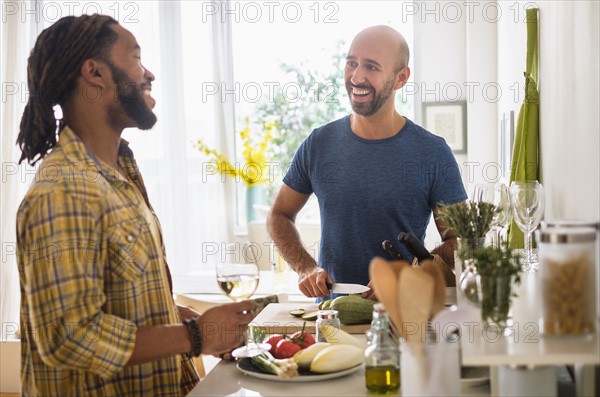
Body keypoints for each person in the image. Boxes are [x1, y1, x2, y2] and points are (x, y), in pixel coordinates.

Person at [15, 14, 253, 396]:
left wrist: (177, 318)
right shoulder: (64, 190)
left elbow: (117, 298)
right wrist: (193, 336)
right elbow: (68, 337)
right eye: (137, 58)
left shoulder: (117, 172)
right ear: (94, 73)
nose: (149, 73)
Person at [267, 25, 467, 299]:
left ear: (401, 78)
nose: (356, 76)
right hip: (331, 317)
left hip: (404, 314)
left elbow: (461, 241)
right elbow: (279, 215)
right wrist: (305, 267)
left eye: (371, 67)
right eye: (351, 63)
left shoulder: (432, 153)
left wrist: (412, 272)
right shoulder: (318, 144)